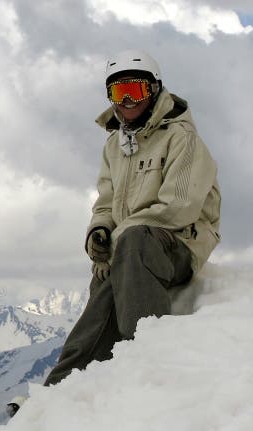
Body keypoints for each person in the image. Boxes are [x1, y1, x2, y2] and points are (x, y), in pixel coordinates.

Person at [41, 49, 222, 387]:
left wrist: (120, 237)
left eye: (134, 90)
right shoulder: (115, 146)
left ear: (153, 90)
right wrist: (99, 233)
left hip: (180, 243)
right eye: (117, 93)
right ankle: (62, 385)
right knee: (105, 291)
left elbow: (179, 207)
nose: (126, 101)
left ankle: (148, 358)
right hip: (133, 248)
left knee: (134, 243)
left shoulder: (181, 138)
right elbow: (106, 203)